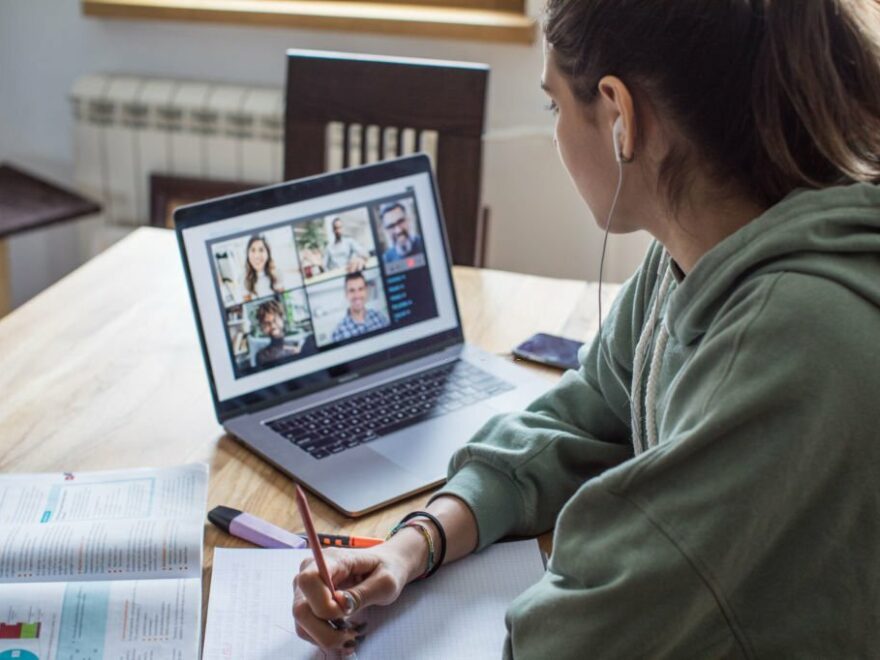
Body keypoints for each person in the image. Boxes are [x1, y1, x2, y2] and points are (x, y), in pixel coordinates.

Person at [294, 1, 880, 657]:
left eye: (554, 106)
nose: (555, 132)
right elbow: (589, 414)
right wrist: (416, 543)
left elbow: (574, 637)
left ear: (620, 116)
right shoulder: (695, 252)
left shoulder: (790, 343)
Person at [254, 299, 315, 367]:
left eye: (275, 320)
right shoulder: (262, 355)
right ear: (262, 328)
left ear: (282, 319)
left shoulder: (298, 344)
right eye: (267, 323)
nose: (273, 326)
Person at [331, 272, 389, 342]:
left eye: (360, 289)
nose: (357, 295)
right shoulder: (339, 333)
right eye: (352, 290)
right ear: (346, 294)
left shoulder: (380, 317)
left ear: (366, 291)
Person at [241, 235, 284, 301]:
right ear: (247, 254)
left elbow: (283, 301)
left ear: (268, 254)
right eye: (253, 250)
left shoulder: (277, 273)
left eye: (261, 250)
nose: (257, 256)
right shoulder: (243, 279)